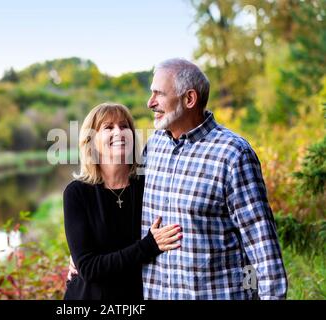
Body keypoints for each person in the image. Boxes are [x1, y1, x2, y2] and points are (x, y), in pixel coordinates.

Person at [141, 58, 288, 299]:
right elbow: (125, 206)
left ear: (189, 99)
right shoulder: (155, 146)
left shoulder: (233, 154)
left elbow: (260, 243)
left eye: (159, 94)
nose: (150, 103)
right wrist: (86, 252)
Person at [63, 102, 183, 300]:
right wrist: (148, 246)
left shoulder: (148, 185)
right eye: (108, 127)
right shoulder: (77, 193)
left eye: (124, 126)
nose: (118, 132)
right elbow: (88, 269)